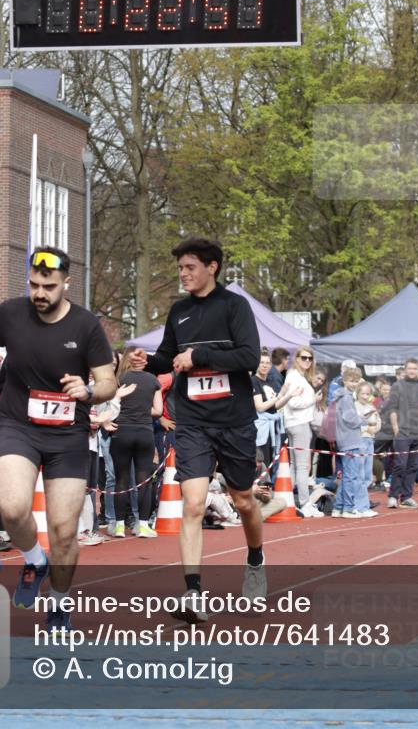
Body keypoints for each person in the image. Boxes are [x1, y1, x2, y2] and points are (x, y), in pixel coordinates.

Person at [0, 247, 116, 627]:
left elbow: (109, 381)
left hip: (68, 435)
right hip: (18, 426)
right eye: (33, 284)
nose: (39, 293)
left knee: (63, 531)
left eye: (48, 286)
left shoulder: (86, 326)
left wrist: (90, 391)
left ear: (66, 284)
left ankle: (59, 602)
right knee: (11, 507)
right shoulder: (10, 313)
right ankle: (33, 560)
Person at [128, 236, 263, 621]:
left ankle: (255, 560)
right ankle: (192, 593)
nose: (183, 275)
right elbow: (170, 359)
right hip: (192, 422)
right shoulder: (179, 311)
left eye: (190, 268)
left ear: (212, 267)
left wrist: (200, 355)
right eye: (180, 269)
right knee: (192, 503)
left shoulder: (235, 307)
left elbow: (249, 356)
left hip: (234, 420)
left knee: (243, 501)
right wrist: (147, 361)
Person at [110, 352, 162, 538]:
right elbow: (159, 410)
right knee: (144, 480)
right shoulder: (153, 381)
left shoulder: (119, 379)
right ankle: (143, 525)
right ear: (146, 362)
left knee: (121, 479)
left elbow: (110, 403)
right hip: (144, 432)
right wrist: (142, 408)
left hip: (121, 431)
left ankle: (118, 525)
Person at [278, 346, 322, 517]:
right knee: (302, 466)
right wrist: (313, 399)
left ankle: (289, 501)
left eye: (310, 358)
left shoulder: (297, 376)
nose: (307, 361)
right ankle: (304, 503)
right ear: (296, 358)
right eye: (303, 357)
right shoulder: (295, 377)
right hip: (299, 424)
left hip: (296, 423)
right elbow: (293, 403)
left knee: (296, 466)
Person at [332, 368, 376, 518]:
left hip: (345, 439)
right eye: (351, 380)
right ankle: (348, 508)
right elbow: (350, 419)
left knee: (347, 476)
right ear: (344, 380)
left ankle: (338, 507)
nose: (354, 384)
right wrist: (364, 420)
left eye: (357, 381)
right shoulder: (346, 397)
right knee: (351, 476)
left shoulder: (343, 396)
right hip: (350, 440)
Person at [388, 358, 418, 509]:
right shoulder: (397, 386)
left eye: (415, 368)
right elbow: (392, 408)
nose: (412, 371)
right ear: (405, 369)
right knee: (400, 464)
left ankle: (407, 496)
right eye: (410, 368)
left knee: (413, 466)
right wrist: (396, 429)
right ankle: (393, 496)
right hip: (403, 433)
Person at [251, 352, 285, 474]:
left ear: (271, 365)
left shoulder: (269, 383)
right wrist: (279, 396)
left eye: (267, 363)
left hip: (271, 428)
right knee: (261, 461)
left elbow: (275, 406)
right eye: (262, 362)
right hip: (261, 428)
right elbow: (260, 407)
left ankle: (267, 489)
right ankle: (259, 489)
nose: (265, 365)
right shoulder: (254, 381)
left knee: (270, 461)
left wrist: (289, 396)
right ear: (256, 364)